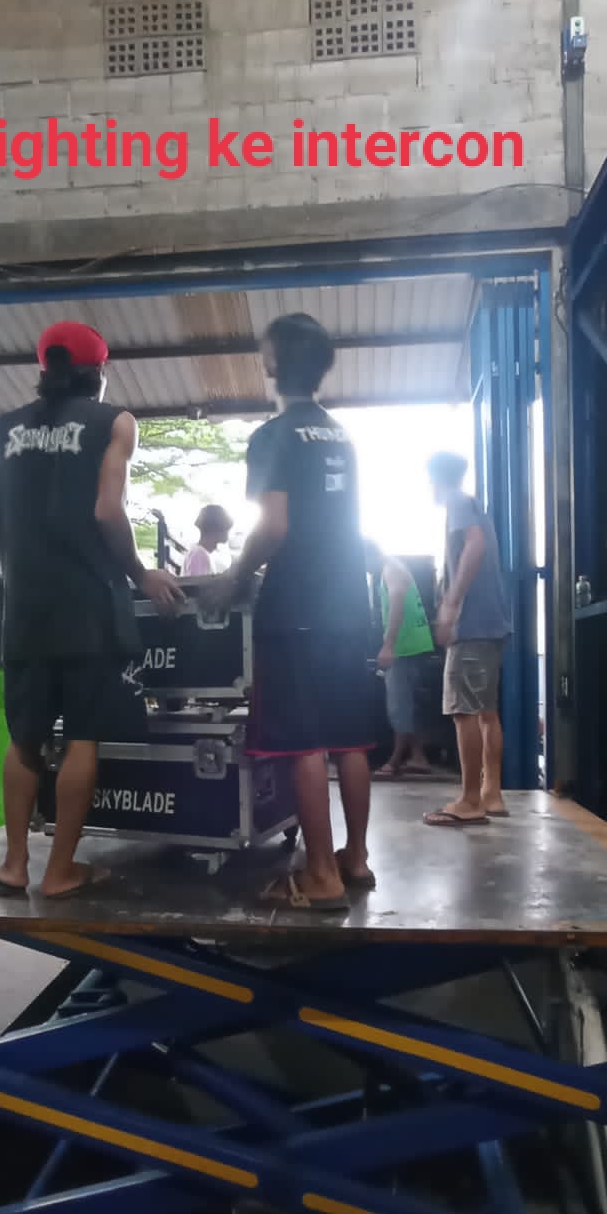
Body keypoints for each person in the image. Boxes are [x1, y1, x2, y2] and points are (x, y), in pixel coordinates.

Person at [0, 320, 183, 900]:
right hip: (89, 605)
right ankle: (61, 871)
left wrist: (24, 571)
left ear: (43, 368)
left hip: (25, 607)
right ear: (99, 373)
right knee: (82, 738)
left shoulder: (2, 428)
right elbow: (106, 510)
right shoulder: (114, 422)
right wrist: (141, 572)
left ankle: (14, 865)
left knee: (24, 738)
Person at [208, 313, 374, 910]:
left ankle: (321, 877)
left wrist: (235, 576)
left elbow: (273, 526)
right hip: (349, 601)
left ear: (272, 363)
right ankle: (355, 859)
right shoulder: (340, 435)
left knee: (305, 740)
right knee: (350, 739)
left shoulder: (274, 436)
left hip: (299, 602)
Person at [425, 452, 511, 826]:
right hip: (492, 623)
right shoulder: (474, 505)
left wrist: (451, 603)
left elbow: (474, 545)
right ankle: (491, 793)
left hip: (472, 624)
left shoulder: (458, 503)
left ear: (434, 478)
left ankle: (470, 800)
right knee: (486, 711)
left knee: (463, 711)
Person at [364, 541, 435, 778]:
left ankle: (395, 760)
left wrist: (389, 645)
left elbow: (396, 601)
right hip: (413, 644)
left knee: (398, 705)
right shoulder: (395, 566)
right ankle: (418, 757)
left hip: (404, 646)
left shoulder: (390, 569)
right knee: (409, 704)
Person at [182, 505, 234, 576]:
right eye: (227, 530)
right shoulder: (199, 554)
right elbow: (197, 582)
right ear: (215, 530)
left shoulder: (201, 552)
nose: (228, 534)